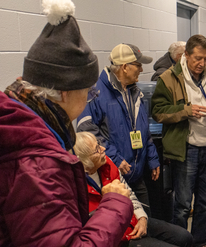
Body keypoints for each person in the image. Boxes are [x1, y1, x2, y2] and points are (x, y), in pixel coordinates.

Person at [0, 0, 133, 246]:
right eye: (87, 93)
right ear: (64, 93)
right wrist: (115, 204)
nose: (89, 99)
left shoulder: (16, 121)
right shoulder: (38, 164)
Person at [151, 34, 206, 247]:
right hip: (186, 149)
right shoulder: (169, 78)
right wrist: (185, 111)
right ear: (185, 55)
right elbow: (158, 112)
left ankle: (199, 241)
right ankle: (180, 242)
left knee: (205, 204)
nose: (202, 63)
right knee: (182, 205)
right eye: (197, 58)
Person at [77, 43, 160, 216]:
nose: (141, 69)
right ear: (124, 67)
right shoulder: (95, 93)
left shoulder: (135, 92)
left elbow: (143, 129)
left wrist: (152, 157)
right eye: (138, 65)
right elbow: (86, 130)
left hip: (137, 174)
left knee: (146, 222)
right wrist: (114, 157)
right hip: (114, 178)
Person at [74, 132, 193, 247]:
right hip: (115, 236)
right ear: (84, 161)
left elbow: (129, 193)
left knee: (184, 236)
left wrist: (142, 218)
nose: (103, 149)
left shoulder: (108, 164)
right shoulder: (75, 187)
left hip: (131, 219)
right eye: (97, 149)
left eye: (99, 144)